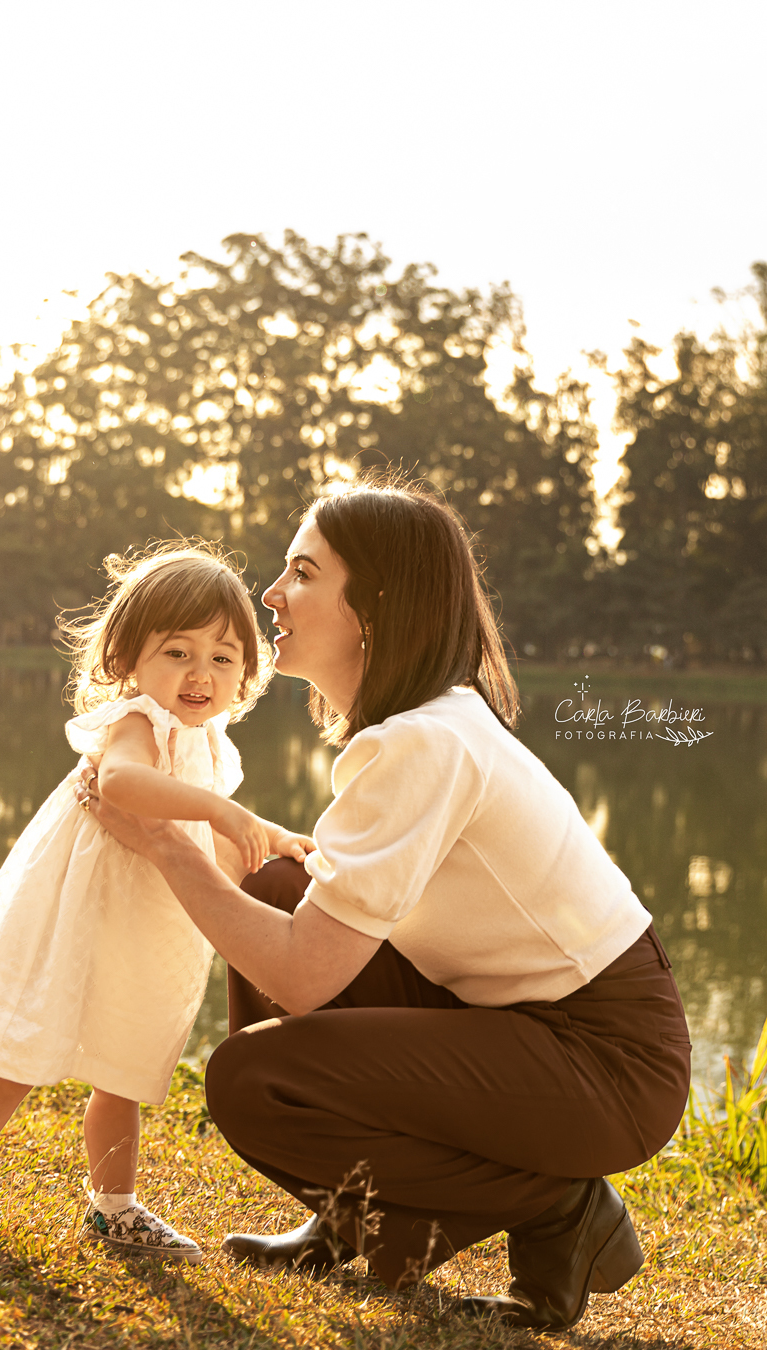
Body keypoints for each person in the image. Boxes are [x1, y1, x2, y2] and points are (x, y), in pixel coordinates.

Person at [77, 483, 691, 1332]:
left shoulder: (423, 742)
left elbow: (303, 975)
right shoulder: (418, 727)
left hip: (606, 1061)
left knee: (253, 1080)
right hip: (524, 1027)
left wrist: (169, 846)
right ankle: (351, 1223)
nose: (270, 596)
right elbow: (317, 927)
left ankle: (562, 1208)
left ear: (372, 607)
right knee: (283, 885)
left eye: (301, 573)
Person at [0, 543, 313, 1260]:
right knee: (19, 1049)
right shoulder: (137, 724)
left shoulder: (209, 743)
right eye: (178, 652)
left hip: (146, 923)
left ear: (246, 672)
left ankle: (114, 1205)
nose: (200, 675)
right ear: (129, 658)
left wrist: (272, 836)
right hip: (80, 912)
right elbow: (122, 784)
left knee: (126, 1061)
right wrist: (225, 816)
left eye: (222, 658)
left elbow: (205, 829)